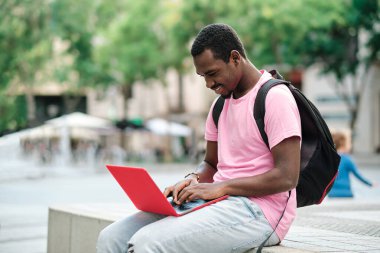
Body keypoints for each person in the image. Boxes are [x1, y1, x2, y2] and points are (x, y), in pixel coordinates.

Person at [96, 23, 301, 253]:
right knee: (110, 238)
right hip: (218, 202)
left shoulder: (275, 98)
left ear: (235, 58)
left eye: (212, 73)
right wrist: (193, 179)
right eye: (203, 76)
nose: (209, 84)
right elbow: (211, 164)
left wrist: (221, 188)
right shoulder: (219, 106)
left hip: (261, 212)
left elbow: (287, 177)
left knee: (148, 242)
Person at [328, 131, 375, 198]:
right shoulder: (347, 159)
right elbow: (358, 175)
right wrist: (370, 184)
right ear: (344, 144)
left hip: (332, 193)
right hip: (346, 193)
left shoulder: (330, 159)